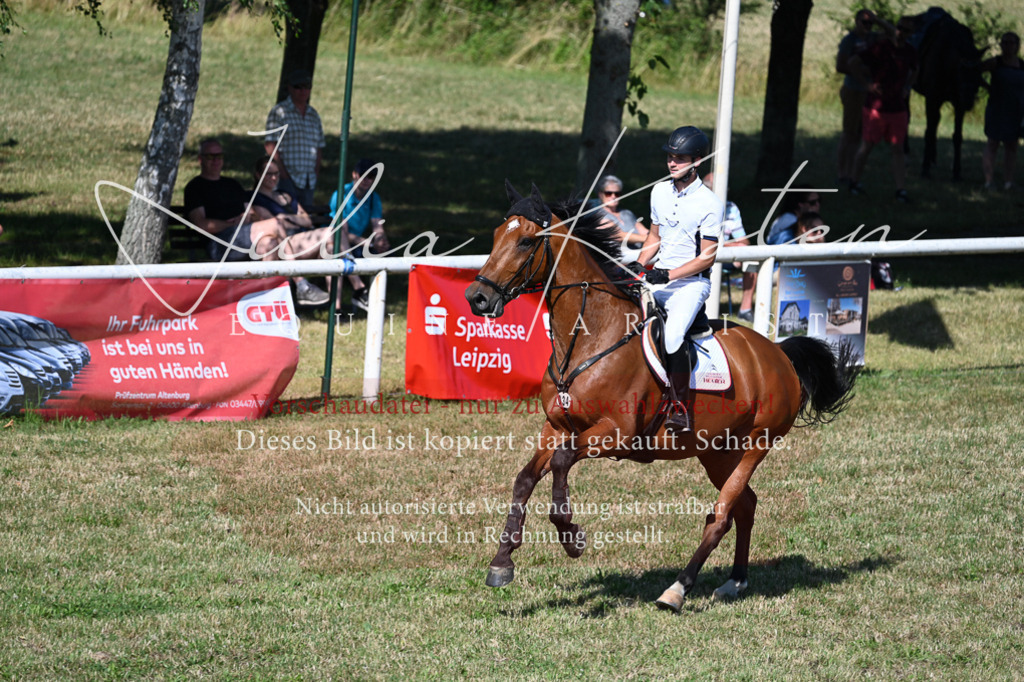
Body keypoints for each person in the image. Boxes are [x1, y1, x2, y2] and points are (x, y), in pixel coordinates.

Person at [633, 126, 723, 432]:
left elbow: (707, 257)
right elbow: (654, 238)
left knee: (672, 336)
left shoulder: (709, 203)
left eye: (680, 158)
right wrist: (639, 264)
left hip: (691, 284)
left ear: (696, 161)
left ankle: (681, 409)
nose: (672, 163)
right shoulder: (659, 191)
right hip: (658, 278)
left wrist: (668, 274)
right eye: (670, 157)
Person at [183, 139, 329, 305]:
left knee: (269, 244)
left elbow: (252, 214)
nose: (216, 160)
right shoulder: (195, 187)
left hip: (245, 237)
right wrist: (232, 224)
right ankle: (301, 284)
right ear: (200, 159)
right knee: (275, 224)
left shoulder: (232, 184)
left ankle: (267, 304)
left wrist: (248, 217)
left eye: (219, 156)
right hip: (220, 244)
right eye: (210, 156)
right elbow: (201, 225)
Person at [252, 156, 368, 310]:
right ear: (258, 175)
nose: (274, 177)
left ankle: (336, 309)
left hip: (301, 241)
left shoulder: (285, 195)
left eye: (276, 173)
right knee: (333, 231)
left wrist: (286, 218)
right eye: (269, 174)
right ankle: (359, 288)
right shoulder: (255, 198)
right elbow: (273, 224)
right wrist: (291, 219)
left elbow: (306, 220)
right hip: (281, 245)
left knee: (331, 249)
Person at [848, 16, 919, 203]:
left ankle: (901, 190)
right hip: (875, 107)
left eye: (906, 30)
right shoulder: (881, 47)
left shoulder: (910, 51)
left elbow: (916, 69)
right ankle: (854, 182)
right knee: (867, 145)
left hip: (898, 108)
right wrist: (867, 85)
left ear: (911, 33)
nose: (901, 32)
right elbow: (853, 62)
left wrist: (908, 86)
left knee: (898, 148)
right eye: (899, 27)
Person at [836, 10, 889, 187]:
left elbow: (894, 34)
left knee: (859, 133)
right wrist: (862, 71)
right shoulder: (849, 40)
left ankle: (851, 171)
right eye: (864, 22)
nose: (867, 26)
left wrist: (879, 20)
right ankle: (842, 173)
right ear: (856, 21)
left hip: (868, 92)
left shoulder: (873, 38)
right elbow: (840, 66)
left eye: (870, 23)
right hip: (853, 89)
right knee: (849, 132)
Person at [264, 69, 326, 210]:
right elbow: (270, 145)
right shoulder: (279, 112)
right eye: (298, 87)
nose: (303, 91)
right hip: (286, 178)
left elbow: (319, 147)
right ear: (290, 88)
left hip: (309, 180)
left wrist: (316, 172)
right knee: (287, 217)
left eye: (307, 87)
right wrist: (283, 175)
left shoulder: (313, 115)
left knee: (306, 217)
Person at [702, 171, 756, 322]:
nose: (726, 191)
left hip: (723, 255)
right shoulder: (697, 207)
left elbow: (744, 241)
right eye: (721, 188)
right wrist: (733, 246)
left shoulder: (731, 208)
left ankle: (745, 310)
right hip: (700, 255)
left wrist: (738, 249)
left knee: (752, 259)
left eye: (726, 188)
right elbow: (699, 242)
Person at [981, 32, 1024, 191]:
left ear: (1017, 46)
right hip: (997, 109)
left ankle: (1008, 182)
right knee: (993, 143)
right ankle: (989, 181)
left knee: (1012, 146)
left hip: (1016, 110)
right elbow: (976, 71)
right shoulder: (995, 62)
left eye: (1010, 43)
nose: (1007, 46)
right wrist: (987, 87)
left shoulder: (1022, 65)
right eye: (1004, 42)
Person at [328, 158, 391, 256]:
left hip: (358, 244)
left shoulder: (374, 197)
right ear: (354, 174)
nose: (366, 180)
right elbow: (339, 232)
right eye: (362, 175)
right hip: (335, 242)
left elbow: (377, 226)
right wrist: (367, 243)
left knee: (388, 254)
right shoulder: (340, 195)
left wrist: (380, 240)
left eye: (370, 176)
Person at [595, 175, 648, 263]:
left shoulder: (627, 213)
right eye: (608, 193)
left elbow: (645, 231)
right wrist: (652, 239)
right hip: (616, 263)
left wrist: (657, 237)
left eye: (617, 194)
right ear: (601, 195)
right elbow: (619, 236)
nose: (613, 196)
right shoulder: (599, 215)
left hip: (639, 258)